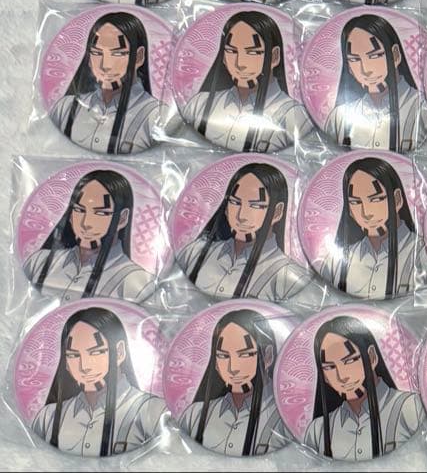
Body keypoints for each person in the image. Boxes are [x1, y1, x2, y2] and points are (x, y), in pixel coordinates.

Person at [32, 307, 166, 456]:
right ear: (66, 363)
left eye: (96, 352)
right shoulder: (47, 418)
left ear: (120, 352)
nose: (84, 367)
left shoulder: (154, 412)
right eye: (74, 355)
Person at [182, 9, 312, 152]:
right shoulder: (199, 105)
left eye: (253, 52)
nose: (240, 63)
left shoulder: (295, 116)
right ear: (223, 57)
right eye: (231, 51)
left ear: (274, 57)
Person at [175, 162, 307, 301]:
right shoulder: (193, 253)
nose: (242, 216)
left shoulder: (290, 278)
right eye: (235, 202)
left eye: (256, 205)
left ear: (277, 212)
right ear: (226, 207)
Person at [24, 169, 154, 303]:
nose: (86, 223)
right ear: (70, 215)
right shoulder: (38, 262)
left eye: (101, 213)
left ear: (122, 219)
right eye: (79, 210)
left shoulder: (138, 283)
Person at [304, 315, 423, 460]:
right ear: (324, 376)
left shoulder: (411, 407)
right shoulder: (318, 431)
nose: (342, 376)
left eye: (350, 360)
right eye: (330, 367)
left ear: (372, 357)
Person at [49, 11, 166, 154]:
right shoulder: (65, 108)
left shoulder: (157, 116)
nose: (106, 65)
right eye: (97, 53)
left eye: (118, 53)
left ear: (138, 57)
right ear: (89, 57)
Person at [177, 309, 287, 456]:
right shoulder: (194, 415)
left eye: (245, 354)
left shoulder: (286, 419)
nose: (233, 368)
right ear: (216, 363)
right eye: (223, 356)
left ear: (268, 356)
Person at [318, 156, 417, 299]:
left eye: (376, 199)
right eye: (355, 202)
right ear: (349, 210)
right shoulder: (334, 262)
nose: (366, 213)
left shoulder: (422, 254)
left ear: (397, 199)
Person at [324, 14, 425, 151]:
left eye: (375, 55)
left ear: (395, 55)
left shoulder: (423, 110)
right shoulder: (339, 118)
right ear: (349, 67)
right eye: (354, 59)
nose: (365, 70)